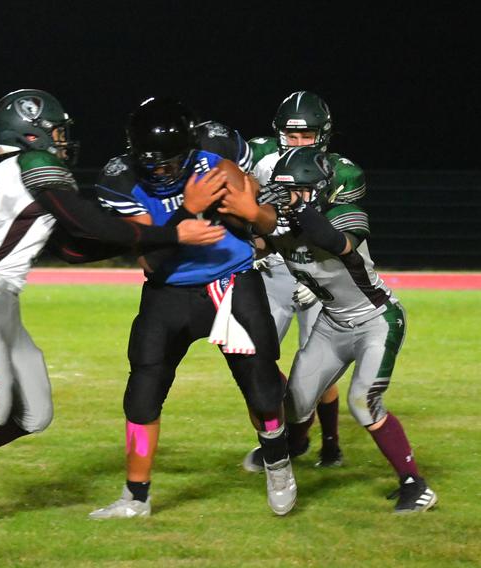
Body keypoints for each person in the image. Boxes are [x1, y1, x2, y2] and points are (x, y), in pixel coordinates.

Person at [0, 89, 227, 533]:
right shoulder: (30, 164)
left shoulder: (19, 174)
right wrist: (173, 230)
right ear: (30, 131)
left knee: (34, 414)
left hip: (3, 301)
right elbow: (86, 223)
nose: (61, 141)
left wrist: (157, 235)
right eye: (56, 131)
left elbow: (74, 248)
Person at [88, 97, 296, 518]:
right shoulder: (121, 180)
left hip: (231, 283)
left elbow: (268, 222)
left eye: (170, 162)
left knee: (262, 389)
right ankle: (136, 497)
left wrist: (253, 209)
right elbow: (153, 258)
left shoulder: (217, 155)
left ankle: (279, 465)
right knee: (142, 395)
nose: (161, 172)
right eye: (153, 163)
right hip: (169, 291)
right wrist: (188, 211)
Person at [254, 146, 437, 512]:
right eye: (284, 191)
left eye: (300, 191)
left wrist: (297, 208)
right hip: (332, 323)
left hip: (376, 320)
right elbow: (252, 245)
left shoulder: (344, 213)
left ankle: (415, 484)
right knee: (295, 403)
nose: (291, 199)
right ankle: (297, 447)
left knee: (363, 401)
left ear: (319, 190)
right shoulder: (282, 224)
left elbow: (337, 242)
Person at [243, 91, 367, 471]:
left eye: (306, 137)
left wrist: (312, 276)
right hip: (272, 268)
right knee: (251, 360)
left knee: (318, 365)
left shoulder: (343, 172)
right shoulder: (257, 156)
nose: (297, 144)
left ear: (323, 136)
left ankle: (329, 444)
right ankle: (283, 441)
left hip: (320, 271)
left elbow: (336, 234)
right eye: (291, 136)